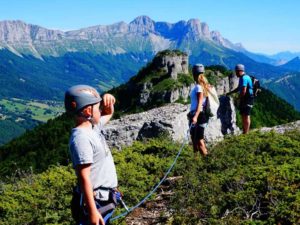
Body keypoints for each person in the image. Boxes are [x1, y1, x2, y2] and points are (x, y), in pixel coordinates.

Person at [64, 84, 120, 225]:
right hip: (95, 202)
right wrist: (93, 211)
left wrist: (109, 99)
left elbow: (108, 113)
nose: (100, 111)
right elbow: (84, 177)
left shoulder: (93, 128)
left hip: (103, 198)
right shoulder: (81, 138)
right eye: (97, 107)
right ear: (88, 111)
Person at [188, 64, 210, 157]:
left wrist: (195, 116)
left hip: (199, 116)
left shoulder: (198, 87)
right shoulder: (203, 86)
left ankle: (207, 162)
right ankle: (195, 161)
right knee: (194, 139)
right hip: (197, 115)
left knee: (199, 140)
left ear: (194, 73)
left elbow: (200, 102)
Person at [227, 64, 254, 134]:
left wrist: (238, 99)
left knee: (246, 115)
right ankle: (245, 131)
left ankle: (246, 132)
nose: (235, 73)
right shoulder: (243, 77)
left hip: (247, 98)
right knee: (243, 115)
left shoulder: (244, 78)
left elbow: (243, 90)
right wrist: (230, 93)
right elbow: (238, 88)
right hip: (247, 98)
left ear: (239, 71)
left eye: (236, 72)